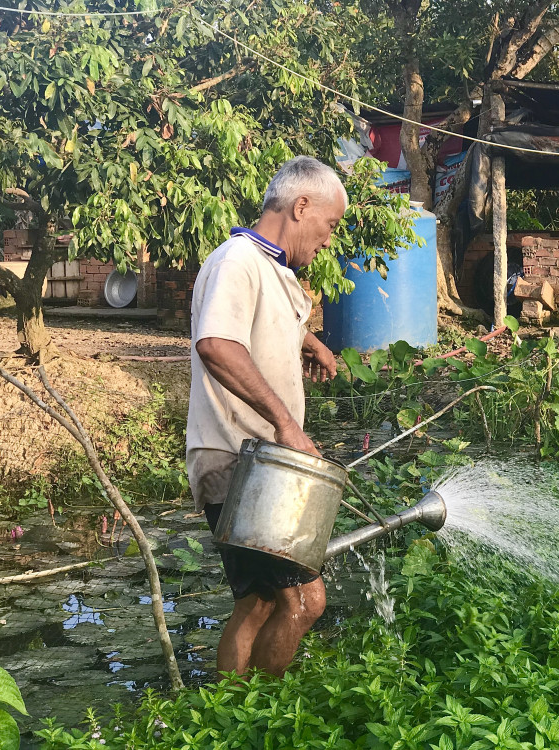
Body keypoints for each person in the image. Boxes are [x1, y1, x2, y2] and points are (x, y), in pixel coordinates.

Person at [186, 155, 344, 677]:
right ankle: (267, 717)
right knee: (304, 601)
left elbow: (265, 323)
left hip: (256, 461)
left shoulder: (269, 265)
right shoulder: (238, 261)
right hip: (240, 457)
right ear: (301, 206)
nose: (327, 240)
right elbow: (217, 343)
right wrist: (286, 422)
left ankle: (230, 711)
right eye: (329, 225)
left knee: (256, 601)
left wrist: (311, 342)